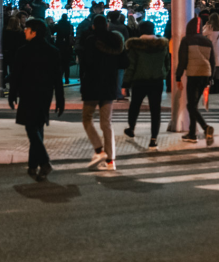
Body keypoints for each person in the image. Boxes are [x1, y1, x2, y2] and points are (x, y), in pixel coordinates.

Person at [8, 19, 64, 181]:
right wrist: (60, 99)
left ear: (34, 32)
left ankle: (44, 162)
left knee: (31, 128)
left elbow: (16, 75)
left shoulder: (23, 51)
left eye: (27, 29)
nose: (24, 31)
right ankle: (33, 166)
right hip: (45, 94)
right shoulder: (52, 51)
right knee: (37, 127)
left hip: (28, 93)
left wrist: (12, 94)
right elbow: (57, 78)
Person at [78, 15, 125, 171]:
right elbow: (123, 62)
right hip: (109, 85)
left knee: (87, 118)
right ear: (107, 25)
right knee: (106, 124)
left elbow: (85, 64)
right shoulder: (115, 40)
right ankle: (111, 160)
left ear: (93, 26)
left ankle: (99, 149)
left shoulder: (90, 40)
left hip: (92, 84)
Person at [122, 21, 168, 150]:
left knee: (135, 106)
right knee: (155, 110)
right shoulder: (162, 45)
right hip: (156, 81)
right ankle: (153, 139)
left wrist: (125, 83)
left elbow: (131, 66)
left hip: (139, 81)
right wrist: (163, 73)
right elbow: (167, 63)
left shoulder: (135, 46)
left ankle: (131, 128)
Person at [175, 16, 215, 144]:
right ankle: (192, 134)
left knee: (190, 105)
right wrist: (210, 78)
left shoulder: (186, 40)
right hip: (206, 74)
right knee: (194, 105)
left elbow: (183, 60)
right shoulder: (208, 41)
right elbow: (213, 62)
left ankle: (205, 127)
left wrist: (178, 76)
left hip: (193, 74)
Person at [54, 14, 74, 84]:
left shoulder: (58, 25)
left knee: (60, 63)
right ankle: (67, 79)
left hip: (59, 45)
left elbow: (53, 31)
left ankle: (59, 78)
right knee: (66, 64)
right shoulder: (70, 25)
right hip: (67, 46)